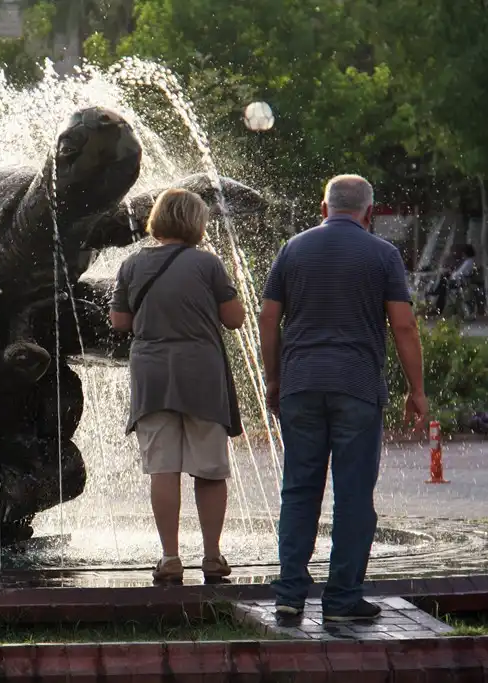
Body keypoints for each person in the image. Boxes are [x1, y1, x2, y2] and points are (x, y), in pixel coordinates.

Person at [258, 174, 428, 622]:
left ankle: (290, 595)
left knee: (298, 490)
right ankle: (341, 601)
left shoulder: (293, 249)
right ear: (369, 213)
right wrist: (417, 390)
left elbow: (268, 317)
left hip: (300, 385)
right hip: (356, 386)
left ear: (323, 208)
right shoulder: (383, 255)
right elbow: (404, 326)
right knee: (353, 495)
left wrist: (273, 377)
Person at [110, 188, 246, 584]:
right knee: (209, 469)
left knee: (162, 469)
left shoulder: (132, 265)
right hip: (201, 374)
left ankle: (170, 557)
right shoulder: (207, 264)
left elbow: (119, 322)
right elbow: (234, 318)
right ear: (196, 223)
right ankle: (212, 556)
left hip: (151, 374)